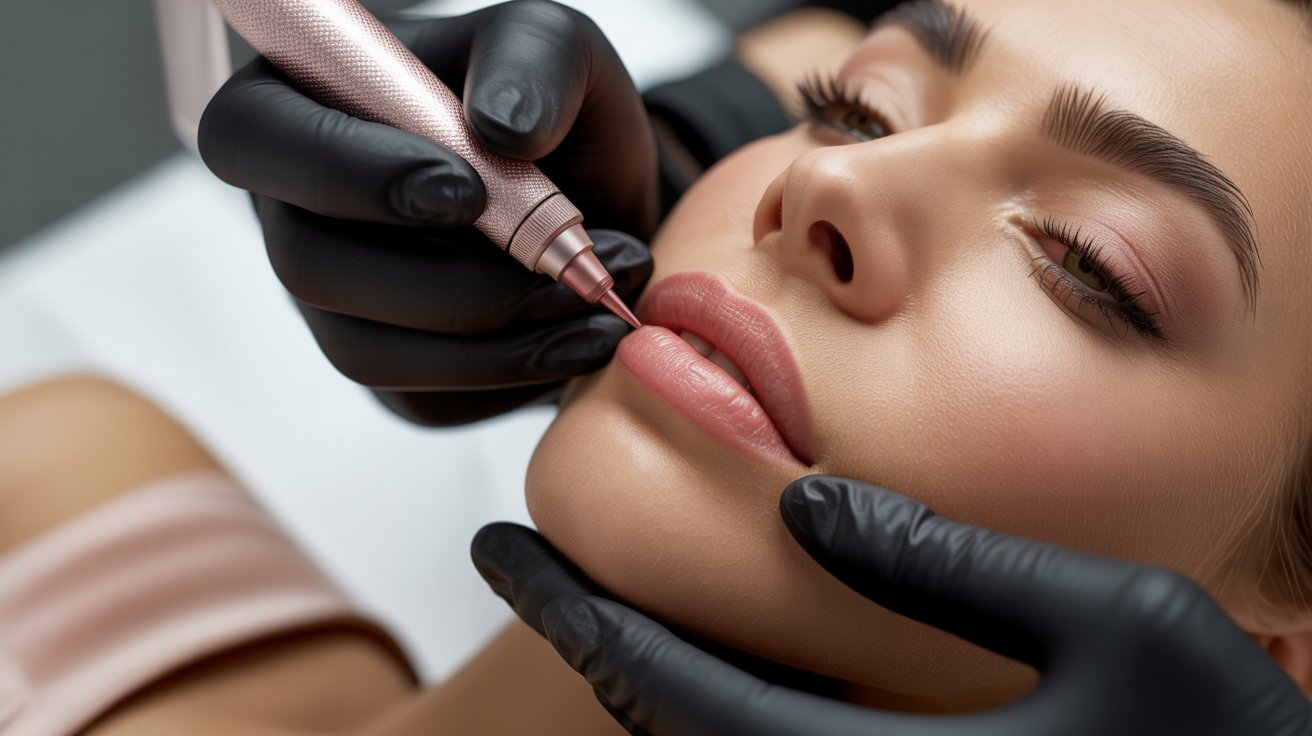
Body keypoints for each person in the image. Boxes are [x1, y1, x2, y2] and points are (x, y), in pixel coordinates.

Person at [168, 0, 1312, 732]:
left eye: (1088, 264)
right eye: (854, 112)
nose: (829, 184)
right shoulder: (47, 473)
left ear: (1278, 648)